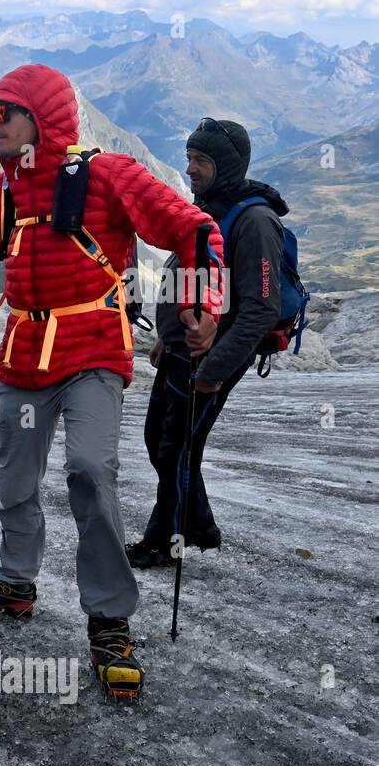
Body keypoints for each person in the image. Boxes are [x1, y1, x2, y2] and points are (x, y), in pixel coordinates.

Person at [0, 64, 225, 700]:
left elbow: (195, 229)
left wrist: (204, 304)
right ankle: (16, 581)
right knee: (14, 476)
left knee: (90, 472)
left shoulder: (108, 176)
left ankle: (109, 616)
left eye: (3, 112)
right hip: (23, 355)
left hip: (93, 347)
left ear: (40, 118)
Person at [127, 118, 288, 569]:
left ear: (226, 165)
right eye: (190, 158)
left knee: (175, 449)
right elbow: (190, 275)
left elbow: (260, 308)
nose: (190, 168)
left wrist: (214, 371)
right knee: (160, 440)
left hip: (209, 359)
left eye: (200, 160)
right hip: (181, 350)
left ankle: (165, 542)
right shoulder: (211, 208)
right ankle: (199, 524)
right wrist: (167, 337)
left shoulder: (255, 221)